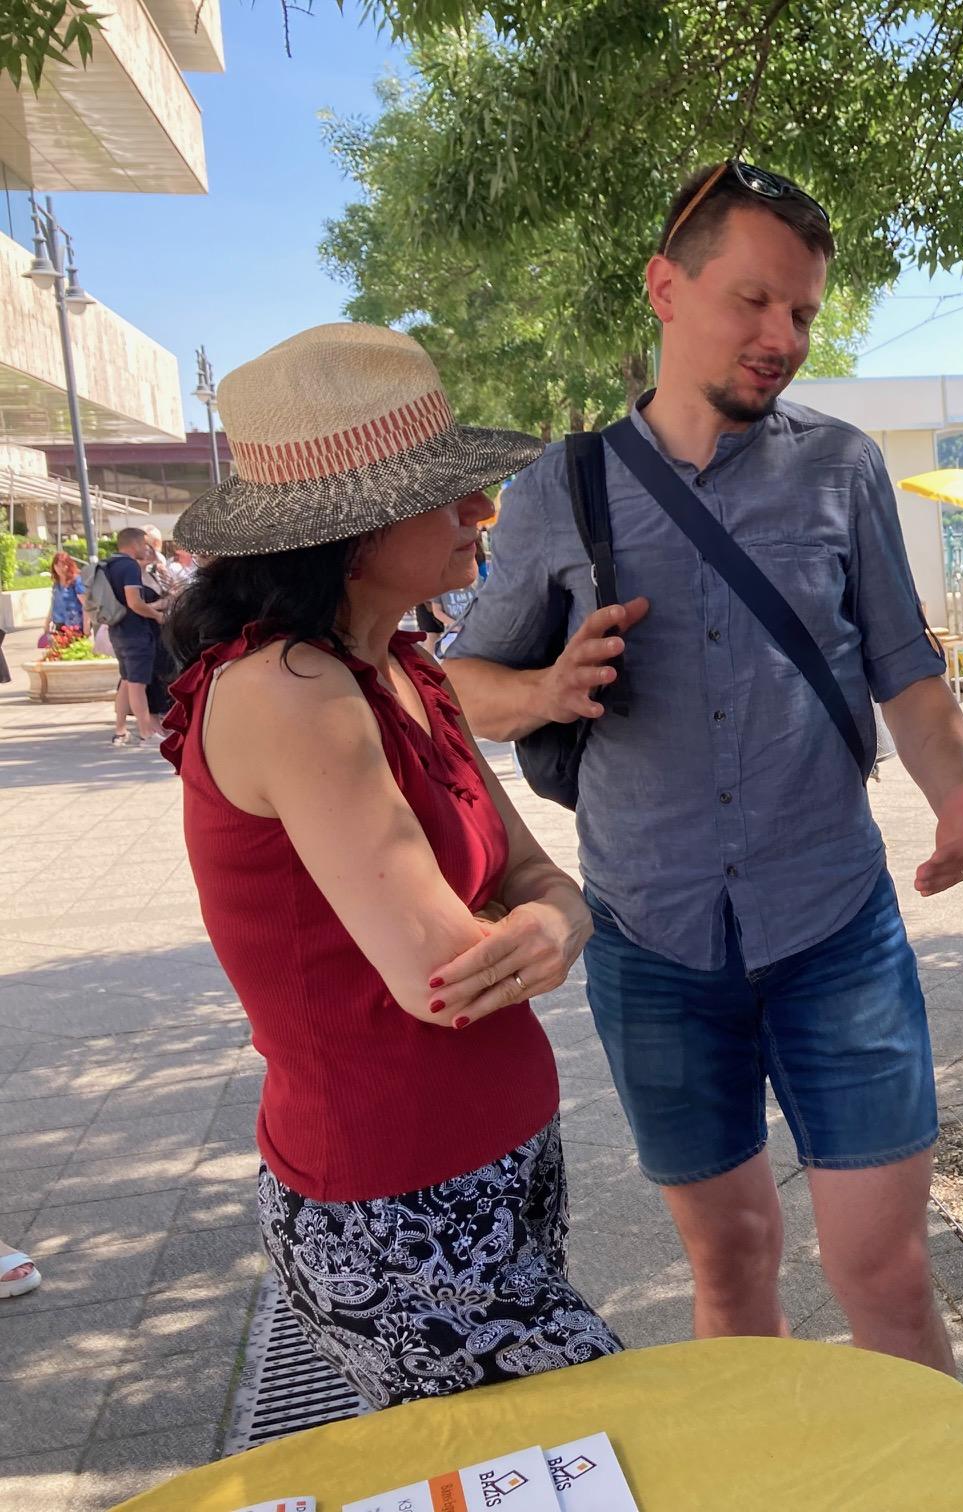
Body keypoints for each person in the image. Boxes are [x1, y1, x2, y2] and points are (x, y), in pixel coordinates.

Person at [443, 159, 963, 1373]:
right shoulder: (560, 489)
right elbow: (458, 684)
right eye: (754, 300)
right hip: (652, 945)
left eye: (802, 312)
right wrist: (544, 691)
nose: (782, 338)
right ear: (667, 287)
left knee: (887, 1272)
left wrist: (953, 793)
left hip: (835, 930)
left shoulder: (841, 467)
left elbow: (905, 668)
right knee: (732, 1262)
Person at [162, 323, 621, 1406]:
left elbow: (540, 881)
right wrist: (547, 921)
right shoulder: (291, 694)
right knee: (600, 1437)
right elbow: (445, 974)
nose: (483, 511)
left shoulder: (405, 668)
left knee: (521, 1461)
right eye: (447, 494)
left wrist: (559, 918)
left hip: (485, 1168)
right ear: (352, 532)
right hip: (398, 1210)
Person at [102, 527, 169, 747]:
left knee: (127, 682)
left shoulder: (109, 564)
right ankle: (146, 734)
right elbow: (134, 602)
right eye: (143, 543)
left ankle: (120, 730)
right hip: (136, 632)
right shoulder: (129, 566)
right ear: (134, 544)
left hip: (117, 630)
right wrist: (157, 616)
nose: (145, 548)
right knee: (138, 685)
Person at [42, 550, 89, 644]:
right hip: (59, 626)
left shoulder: (76, 582)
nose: (60, 568)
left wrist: (86, 627)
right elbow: (54, 604)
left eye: (63, 565)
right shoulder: (56, 584)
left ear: (68, 565)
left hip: (75, 627)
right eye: (57, 565)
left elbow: (86, 605)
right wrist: (47, 623)